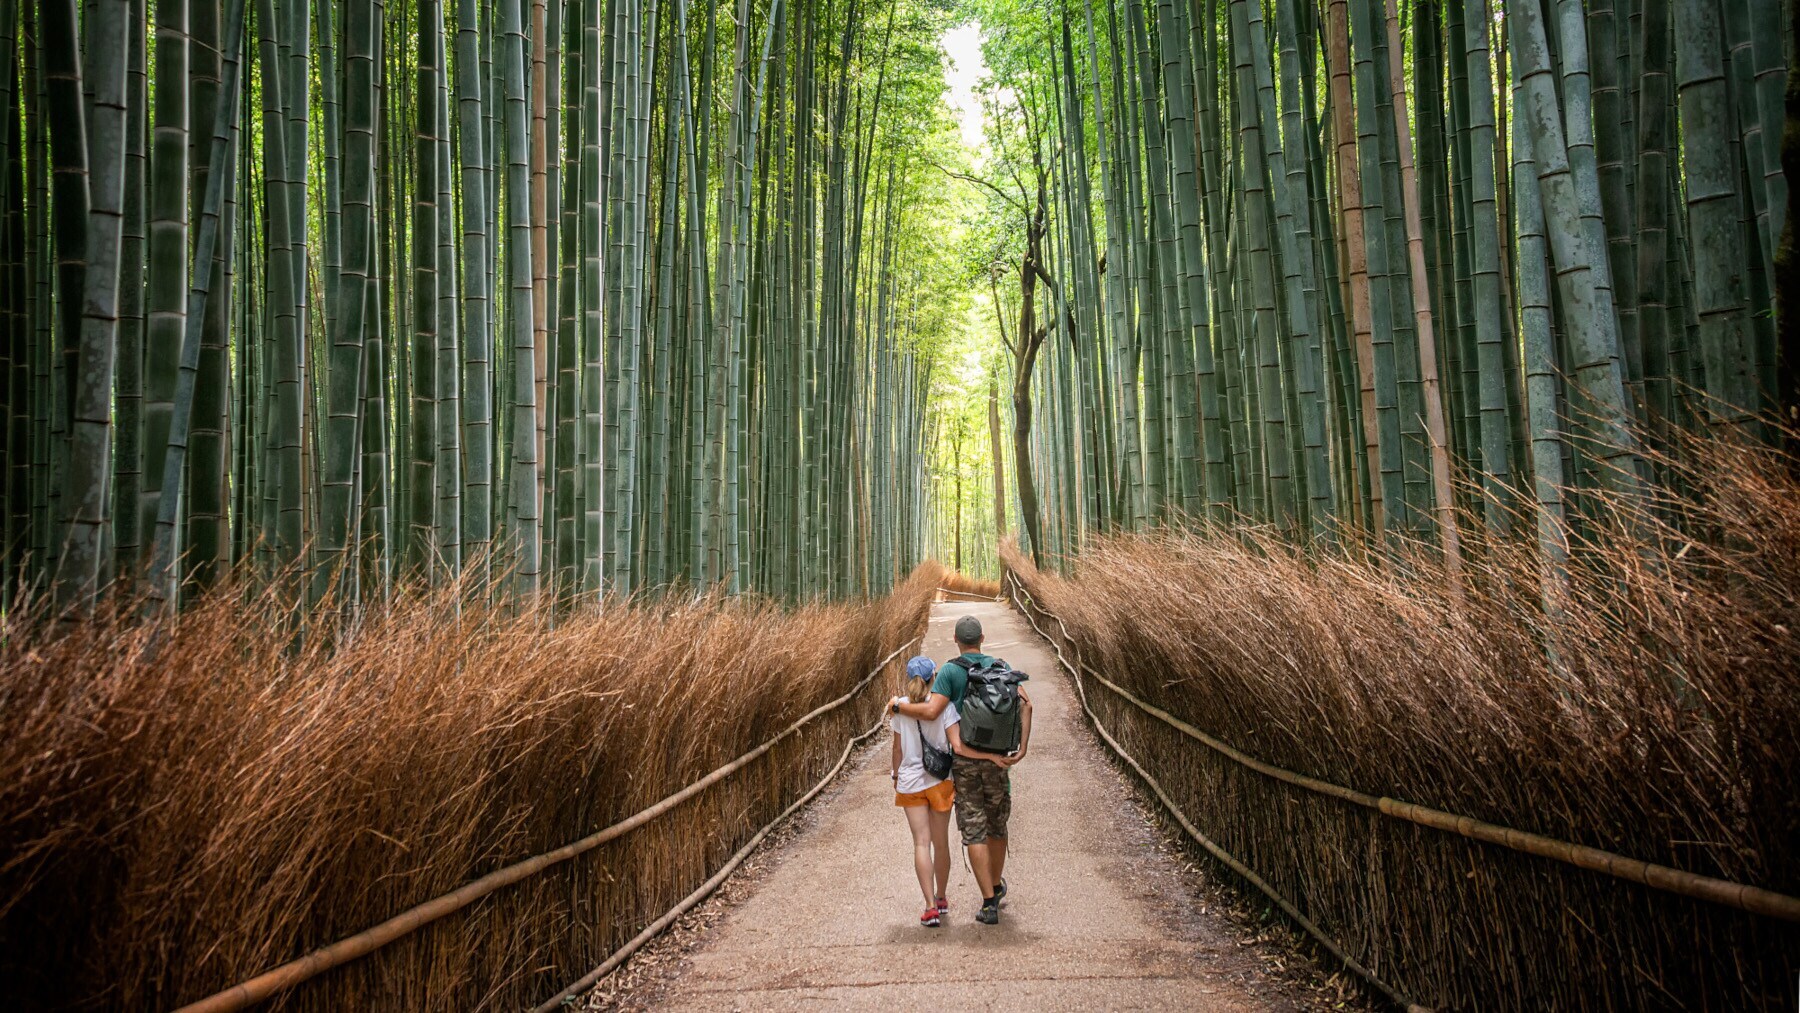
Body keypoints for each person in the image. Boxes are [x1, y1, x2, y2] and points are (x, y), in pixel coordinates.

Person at [893, 614, 1031, 925]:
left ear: (956, 640)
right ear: (983, 638)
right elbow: (1027, 705)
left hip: (966, 764)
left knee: (974, 830)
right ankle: (995, 885)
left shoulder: (951, 672)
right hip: (999, 762)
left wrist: (898, 707)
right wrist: (1022, 748)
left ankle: (988, 902)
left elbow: (931, 711)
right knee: (997, 826)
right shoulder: (1002, 667)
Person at [890, 655, 957, 927]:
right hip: (940, 780)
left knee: (921, 843)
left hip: (910, 781)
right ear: (933, 678)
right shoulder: (945, 706)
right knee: (940, 843)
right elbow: (954, 743)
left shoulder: (899, 707)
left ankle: (929, 906)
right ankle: (941, 898)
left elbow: (897, 748)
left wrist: (896, 775)